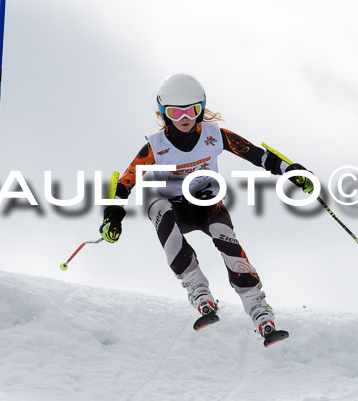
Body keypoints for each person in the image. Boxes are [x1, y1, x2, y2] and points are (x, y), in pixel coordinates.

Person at [99, 74, 313, 347]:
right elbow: (125, 183)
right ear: (164, 113)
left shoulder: (215, 136)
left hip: (207, 205)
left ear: (201, 109)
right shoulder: (155, 146)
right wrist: (113, 216)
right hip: (172, 207)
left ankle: (258, 309)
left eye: (193, 110)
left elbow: (258, 156)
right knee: (158, 208)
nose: (185, 117)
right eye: (175, 111)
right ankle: (197, 289)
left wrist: (290, 171)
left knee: (226, 238)